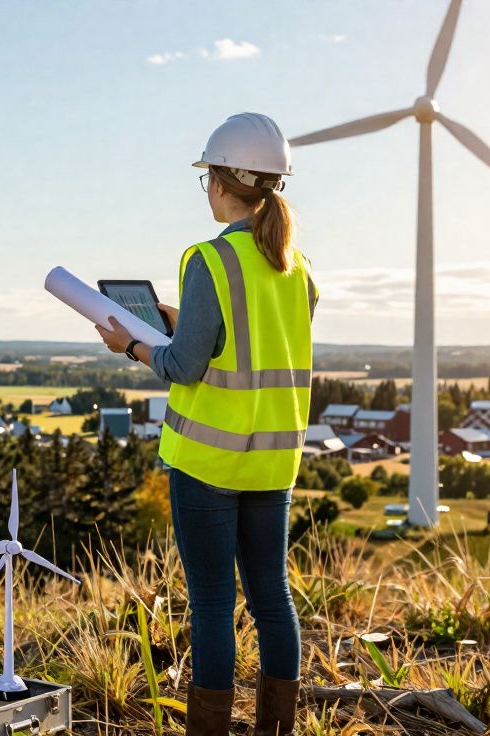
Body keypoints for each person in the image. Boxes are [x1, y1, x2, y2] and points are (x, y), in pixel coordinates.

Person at [96, 112, 317, 736]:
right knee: (272, 599)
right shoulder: (297, 268)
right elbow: (256, 341)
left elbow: (185, 365)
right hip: (274, 462)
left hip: (209, 463)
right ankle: (276, 727)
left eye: (207, 181)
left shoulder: (209, 260)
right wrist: (180, 314)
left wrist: (132, 346)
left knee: (214, 606)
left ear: (220, 183)